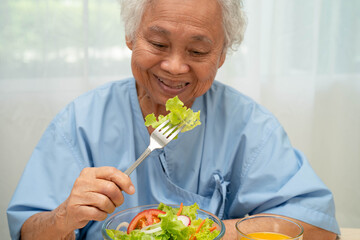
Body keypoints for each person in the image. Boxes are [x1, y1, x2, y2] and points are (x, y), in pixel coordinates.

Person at [7, 0, 340, 239]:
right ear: (131, 37)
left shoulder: (249, 126)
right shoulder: (79, 123)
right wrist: (64, 216)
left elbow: (319, 226)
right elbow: (27, 231)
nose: (175, 67)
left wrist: (218, 233)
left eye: (197, 51)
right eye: (157, 43)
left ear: (222, 55)